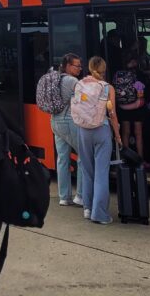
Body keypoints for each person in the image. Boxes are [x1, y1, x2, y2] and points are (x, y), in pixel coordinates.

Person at [76, 56, 122, 225]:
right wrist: (117, 135)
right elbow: (113, 114)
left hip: (83, 130)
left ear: (89, 68)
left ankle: (87, 209)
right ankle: (99, 213)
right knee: (101, 173)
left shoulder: (80, 85)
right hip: (101, 130)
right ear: (104, 69)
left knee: (87, 171)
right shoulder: (107, 88)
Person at [50, 53, 85, 207]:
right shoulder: (72, 81)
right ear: (68, 66)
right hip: (69, 120)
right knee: (84, 155)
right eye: (77, 66)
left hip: (55, 120)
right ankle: (81, 195)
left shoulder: (55, 77)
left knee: (62, 159)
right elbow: (84, 98)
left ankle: (64, 197)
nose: (80, 68)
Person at [113, 51, 149, 167]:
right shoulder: (137, 74)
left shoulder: (118, 73)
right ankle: (140, 160)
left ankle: (125, 159)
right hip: (136, 108)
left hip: (123, 108)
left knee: (125, 133)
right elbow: (140, 94)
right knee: (138, 134)